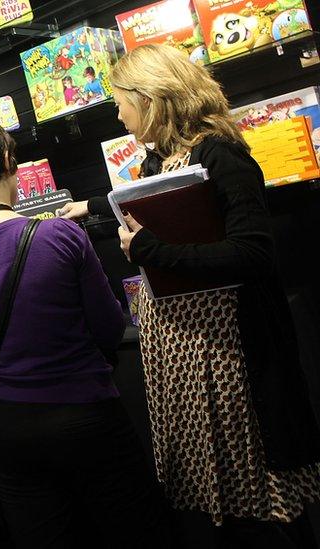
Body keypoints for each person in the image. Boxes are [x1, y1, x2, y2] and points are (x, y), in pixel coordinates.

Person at [59, 44, 320, 544]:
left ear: (152, 99)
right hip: (183, 343)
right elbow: (159, 206)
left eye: (122, 101)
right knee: (216, 483)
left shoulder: (222, 153)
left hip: (229, 347)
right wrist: (93, 209)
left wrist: (153, 250)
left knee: (262, 480)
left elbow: (252, 253)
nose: (118, 113)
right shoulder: (155, 161)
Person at [0, 114, 169, 547]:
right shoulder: (60, 237)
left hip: (9, 431)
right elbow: (110, 328)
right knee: (136, 532)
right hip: (87, 412)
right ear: (9, 160)